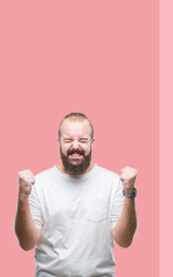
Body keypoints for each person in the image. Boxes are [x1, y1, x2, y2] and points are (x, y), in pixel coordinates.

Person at [14, 112, 138, 276]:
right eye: (68, 140)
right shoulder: (38, 184)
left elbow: (124, 241)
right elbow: (26, 243)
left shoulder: (113, 182)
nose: (75, 146)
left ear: (92, 143)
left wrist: (129, 192)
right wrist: (22, 197)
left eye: (83, 140)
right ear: (59, 143)